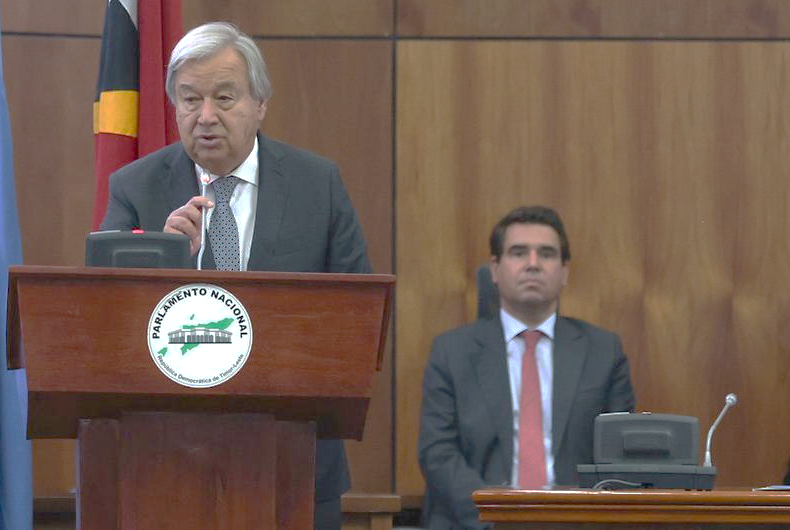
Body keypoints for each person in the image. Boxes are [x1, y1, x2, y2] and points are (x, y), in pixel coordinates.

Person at [100, 21, 371, 530]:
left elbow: (358, 321)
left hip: (294, 461)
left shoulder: (319, 187)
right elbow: (103, 327)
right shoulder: (134, 189)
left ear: (260, 103)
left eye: (225, 98)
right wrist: (167, 260)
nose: (205, 117)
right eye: (189, 100)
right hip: (161, 463)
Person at [417, 205, 635, 530]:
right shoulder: (452, 352)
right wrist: (496, 518)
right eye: (518, 253)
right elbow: (438, 454)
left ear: (564, 271)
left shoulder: (603, 352)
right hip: (478, 523)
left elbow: (619, 457)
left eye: (546, 254)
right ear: (494, 268)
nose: (532, 264)